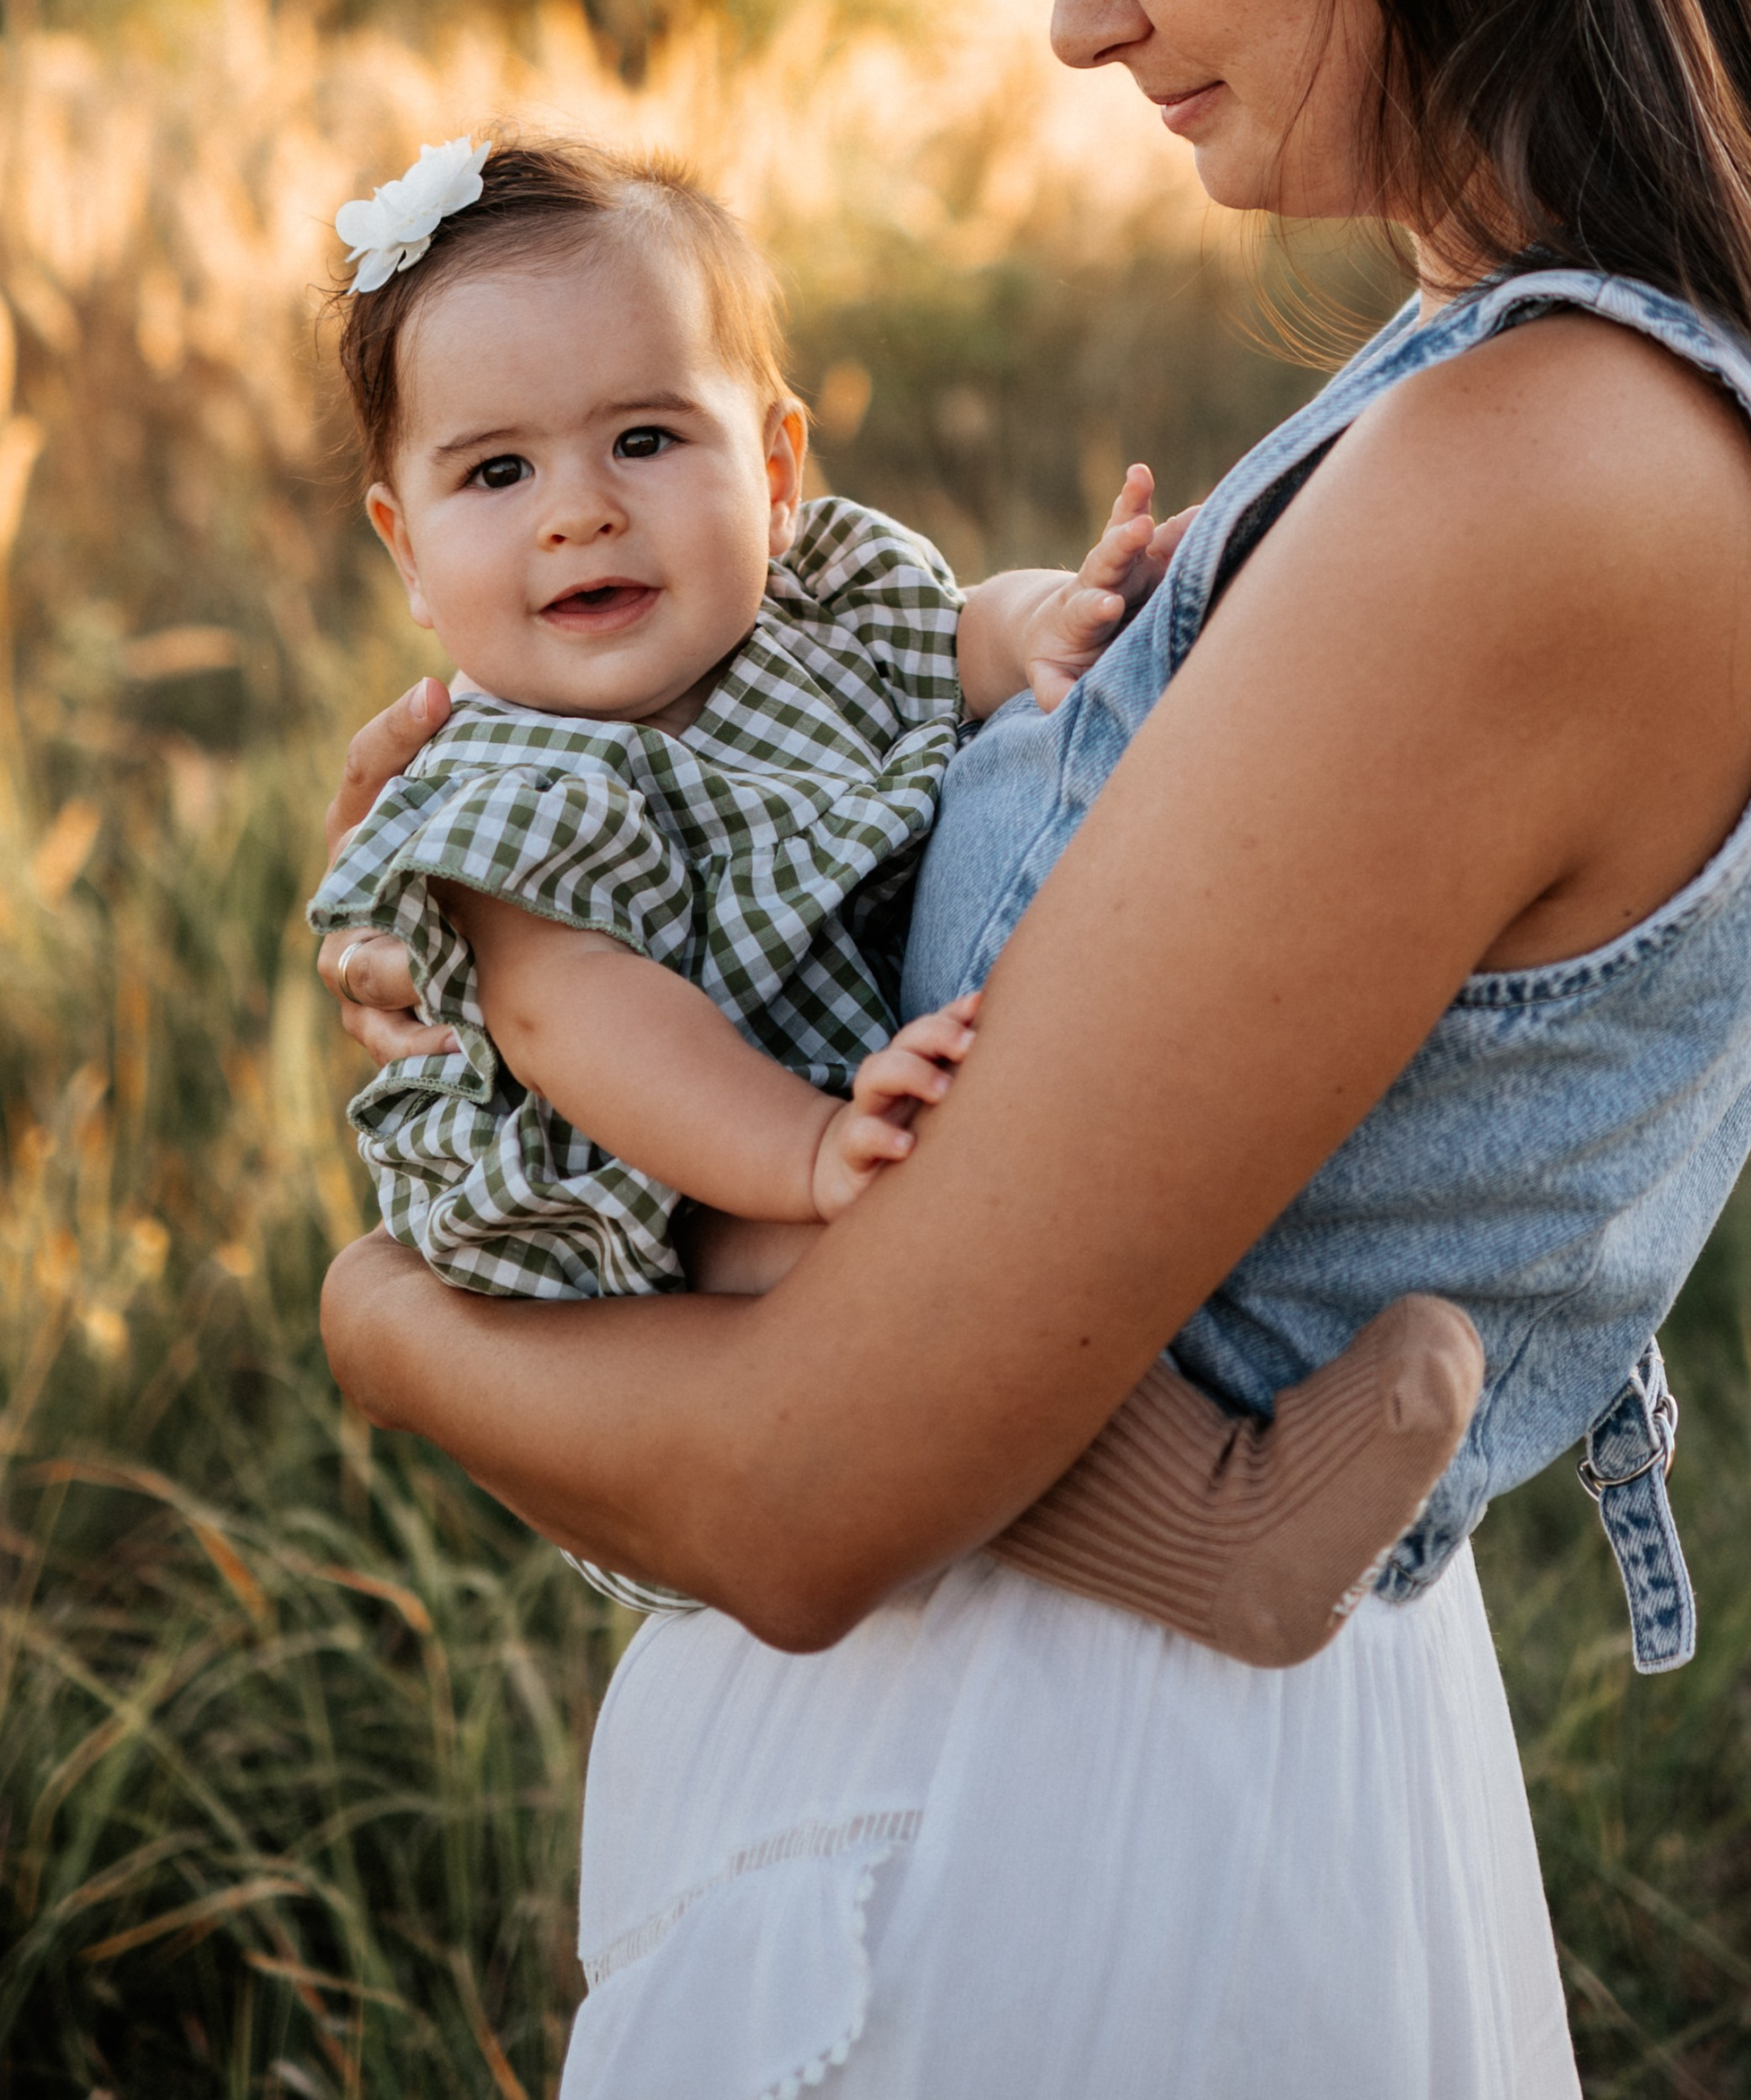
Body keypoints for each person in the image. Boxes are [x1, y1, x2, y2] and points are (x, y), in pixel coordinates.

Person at [317, 0, 1751, 2100]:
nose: (1077, 19)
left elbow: (813, 1495)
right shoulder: (1504, 389)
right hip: (1112, 1765)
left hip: (1062, 1846)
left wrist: (379, 1299)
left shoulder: (1544, 473)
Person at [313, 125, 1484, 1644]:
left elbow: (948, 632)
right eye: (496, 471)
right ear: (406, 549)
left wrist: (1049, 624)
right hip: (651, 1196)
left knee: (969, 1270)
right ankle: (1214, 1530)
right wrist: (800, 1152)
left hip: (802, 1111)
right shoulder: (503, 789)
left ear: (777, 465)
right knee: (894, 1298)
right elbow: (577, 1026)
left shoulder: (819, 607)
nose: (578, 511)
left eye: (647, 442)